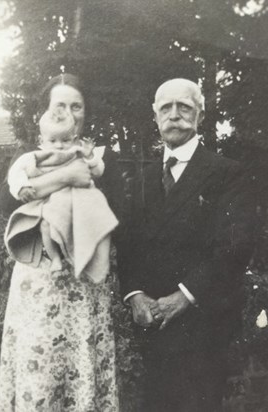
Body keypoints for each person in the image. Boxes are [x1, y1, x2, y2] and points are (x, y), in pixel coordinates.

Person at [119, 78, 255, 412]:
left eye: (185, 107)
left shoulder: (228, 173)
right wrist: (135, 295)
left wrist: (184, 296)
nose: (174, 115)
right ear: (155, 116)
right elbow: (128, 246)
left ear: (201, 115)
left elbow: (235, 247)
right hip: (151, 328)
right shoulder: (141, 180)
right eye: (166, 107)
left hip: (203, 327)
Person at [0, 73, 123, 412]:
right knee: (39, 370)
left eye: (76, 106)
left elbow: (118, 213)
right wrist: (65, 177)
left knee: (80, 364)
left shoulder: (97, 159)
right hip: (39, 284)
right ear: (47, 112)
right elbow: (6, 201)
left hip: (85, 282)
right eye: (60, 105)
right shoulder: (29, 155)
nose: (69, 112)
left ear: (85, 112)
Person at [5, 106, 118, 282]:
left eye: (65, 140)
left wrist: (90, 157)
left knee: (92, 225)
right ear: (42, 139)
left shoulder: (76, 152)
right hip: (51, 204)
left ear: (74, 138)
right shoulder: (35, 156)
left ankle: (94, 262)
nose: (59, 145)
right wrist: (22, 187)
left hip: (79, 203)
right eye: (53, 140)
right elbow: (15, 173)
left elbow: (98, 171)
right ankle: (56, 259)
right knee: (46, 226)